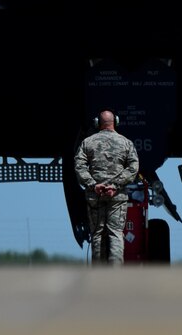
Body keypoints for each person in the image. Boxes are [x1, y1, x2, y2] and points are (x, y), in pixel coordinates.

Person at [74, 108, 140, 266]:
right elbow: (133, 167)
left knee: (97, 234)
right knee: (115, 233)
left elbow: (79, 166)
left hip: (94, 196)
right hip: (117, 197)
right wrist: (115, 185)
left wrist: (93, 185)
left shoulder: (87, 143)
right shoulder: (126, 143)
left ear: (98, 123)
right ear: (115, 122)